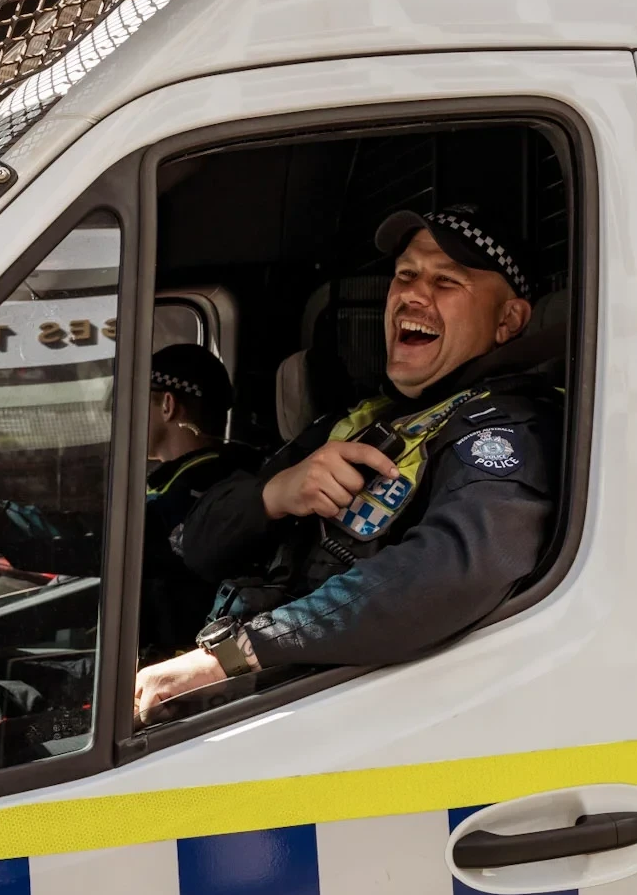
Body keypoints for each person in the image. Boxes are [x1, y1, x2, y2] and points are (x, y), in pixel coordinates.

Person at [134, 205, 560, 718]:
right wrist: (276, 495)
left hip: (332, 708)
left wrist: (235, 655)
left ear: (508, 321)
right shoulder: (356, 419)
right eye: (405, 275)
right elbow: (198, 546)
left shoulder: (506, 429)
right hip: (262, 689)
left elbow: (446, 575)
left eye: (447, 282)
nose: (413, 294)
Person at [139, 344, 259, 661]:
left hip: (182, 661)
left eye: (137, 401)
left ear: (167, 405)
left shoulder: (196, 487)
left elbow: (112, 542)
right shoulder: (222, 473)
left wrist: (13, 528)